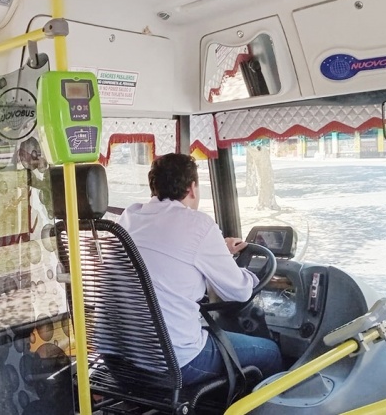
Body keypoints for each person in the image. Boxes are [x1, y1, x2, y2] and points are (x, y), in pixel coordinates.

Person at [117, 153, 283, 386]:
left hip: (122, 361)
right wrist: (227, 259)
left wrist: (216, 250)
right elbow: (241, 292)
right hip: (176, 364)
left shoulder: (129, 217)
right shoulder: (199, 225)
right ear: (192, 188)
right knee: (271, 351)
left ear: (153, 187)